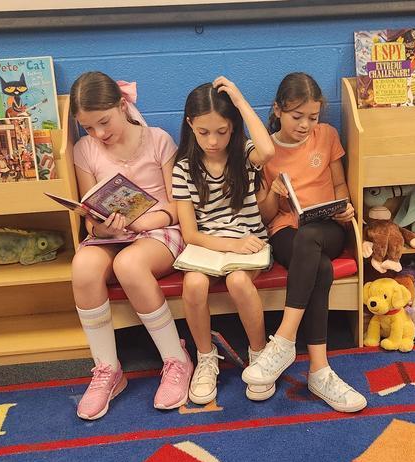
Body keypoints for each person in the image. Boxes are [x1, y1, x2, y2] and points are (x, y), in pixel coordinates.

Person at [69, 71, 192, 420]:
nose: (99, 134)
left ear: (122, 105)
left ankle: (176, 358)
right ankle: (108, 369)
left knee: (129, 265)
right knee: (83, 266)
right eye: (89, 128)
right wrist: (104, 229)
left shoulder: (157, 140)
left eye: (104, 122)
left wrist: (146, 222)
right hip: (111, 236)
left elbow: (177, 205)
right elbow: (90, 216)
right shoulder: (85, 149)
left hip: (159, 231)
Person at [242, 72, 368, 413]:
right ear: (278, 110)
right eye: (297, 117)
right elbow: (267, 216)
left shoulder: (326, 136)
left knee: (312, 236)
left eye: (312, 117)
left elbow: (340, 185)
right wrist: (272, 194)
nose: (305, 125)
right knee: (319, 267)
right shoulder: (266, 150)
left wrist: (345, 208)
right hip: (286, 229)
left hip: (327, 226)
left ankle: (283, 340)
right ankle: (319, 370)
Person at [172, 77, 276, 405]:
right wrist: (229, 244)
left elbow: (269, 150)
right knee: (194, 287)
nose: (213, 141)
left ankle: (259, 355)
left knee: (239, 281)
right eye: (203, 132)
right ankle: (205, 357)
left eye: (222, 131)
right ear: (190, 125)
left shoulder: (244, 154)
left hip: (250, 245)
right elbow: (190, 234)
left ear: (234, 127)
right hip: (208, 248)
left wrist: (241, 101)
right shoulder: (184, 168)